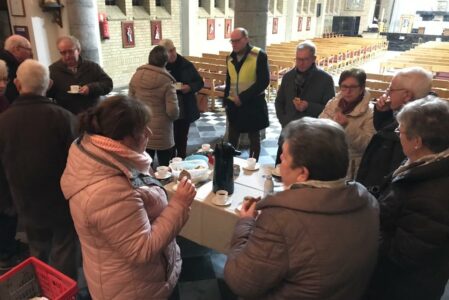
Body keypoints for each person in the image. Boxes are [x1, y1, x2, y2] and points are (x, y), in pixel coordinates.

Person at [224, 117, 379, 300]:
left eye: (285, 156)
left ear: (302, 173)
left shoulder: (280, 219)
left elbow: (240, 281)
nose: (280, 158)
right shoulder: (368, 201)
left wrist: (245, 223)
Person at [60, 95, 196, 299]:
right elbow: (142, 249)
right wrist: (180, 204)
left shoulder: (101, 155)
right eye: (143, 130)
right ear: (123, 138)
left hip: (139, 279)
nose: (149, 132)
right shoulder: (108, 191)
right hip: (132, 288)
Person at [365, 97, 449, 300]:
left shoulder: (434, 195)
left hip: (404, 287)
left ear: (417, 141)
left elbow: (402, 254)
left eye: (400, 131)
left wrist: (363, 230)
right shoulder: (422, 161)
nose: (398, 135)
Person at [0, 59, 78, 278]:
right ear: (49, 84)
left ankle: (43, 290)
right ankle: (66, 291)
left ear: (17, 84)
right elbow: (78, 164)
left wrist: (7, 203)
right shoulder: (64, 119)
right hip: (61, 201)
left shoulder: (3, 122)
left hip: (25, 201)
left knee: (37, 249)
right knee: (65, 249)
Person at [356, 67, 432, 197]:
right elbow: (385, 132)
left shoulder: (414, 130)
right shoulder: (411, 114)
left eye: (391, 89)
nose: (387, 93)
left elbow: (385, 166)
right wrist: (384, 114)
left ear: (407, 95)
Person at [275, 40, 335, 164]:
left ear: (314, 58)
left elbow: (330, 109)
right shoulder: (288, 77)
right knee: (281, 172)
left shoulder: (325, 79)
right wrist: (284, 121)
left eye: (305, 59)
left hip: (311, 137)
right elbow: (279, 102)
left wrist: (309, 106)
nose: (300, 63)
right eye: (298, 59)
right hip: (288, 133)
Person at [319, 68, 374, 179]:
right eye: (344, 87)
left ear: (362, 88)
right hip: (327, 160)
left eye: (353, 87)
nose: (348, 92)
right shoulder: (333, 103)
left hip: (351, 167)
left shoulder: (370, 112)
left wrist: (347, 126)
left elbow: (368, 144)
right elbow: (320, 124)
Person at [224, 27, 270, 160]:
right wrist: (226, 101)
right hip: (234, 104)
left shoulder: (258, 55)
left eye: (237, 41)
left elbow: (263, 81)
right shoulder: (230, 58)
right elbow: (229, 80)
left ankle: (253, 165)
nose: (234, 44)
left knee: (254, 138)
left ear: (246, 39)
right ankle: (230, 164)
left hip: (253, 103)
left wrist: (243, 97)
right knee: (232, 138)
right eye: (232, 41)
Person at [129, 45, 179, 167]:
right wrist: (175, 116)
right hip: (162, 130)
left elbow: (130, 103)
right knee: (165, 167)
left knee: (145, 165)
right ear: (165, 61)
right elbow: (172, 111)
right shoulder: (167, 81)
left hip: (143, 128)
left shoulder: (136, 76)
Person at [159, 39, 204, 158]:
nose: (172, 53)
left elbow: (199, 82)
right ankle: (171, 162)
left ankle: (182, 160)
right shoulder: (160, 65)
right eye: (168, 52)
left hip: (184, 105)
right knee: (169, 138)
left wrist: (189, 87)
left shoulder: (185, 64)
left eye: (173, 50)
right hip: (166, 107)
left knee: (182, 137)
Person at [48, 35, 113, 115]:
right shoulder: (53, 70)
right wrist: (46, 88)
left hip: (92, 114)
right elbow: (49, 95)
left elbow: (108, 84)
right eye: (63, 52)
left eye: (70, 51)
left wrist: (91, 88)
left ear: (78, 50)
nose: (67, 56)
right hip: (67, 116)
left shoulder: (92, 67)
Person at [0, 34, 32, 103]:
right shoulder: (10, 66)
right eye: (28, 49)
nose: (30, 53)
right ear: (17, 48)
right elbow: (12, 94)